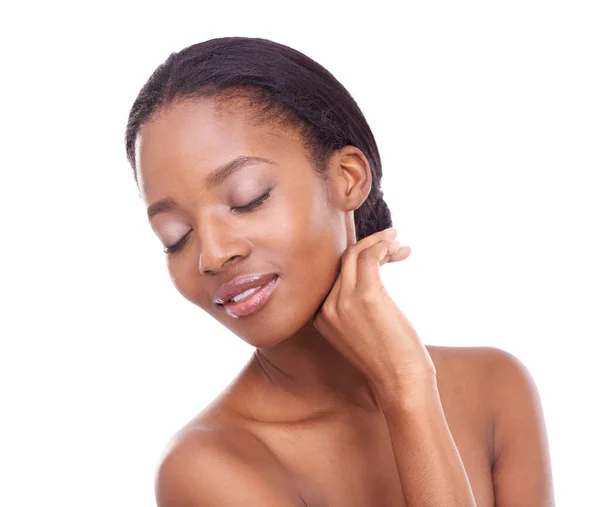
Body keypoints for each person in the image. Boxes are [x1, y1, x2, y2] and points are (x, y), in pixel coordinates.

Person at [125, 36, 555, 507]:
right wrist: (405, 387)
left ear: (347, 179)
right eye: (175, 236)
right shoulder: (207, 468)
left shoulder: (495, 388)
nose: (212, 254)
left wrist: (409, 390)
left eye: (248, 198)